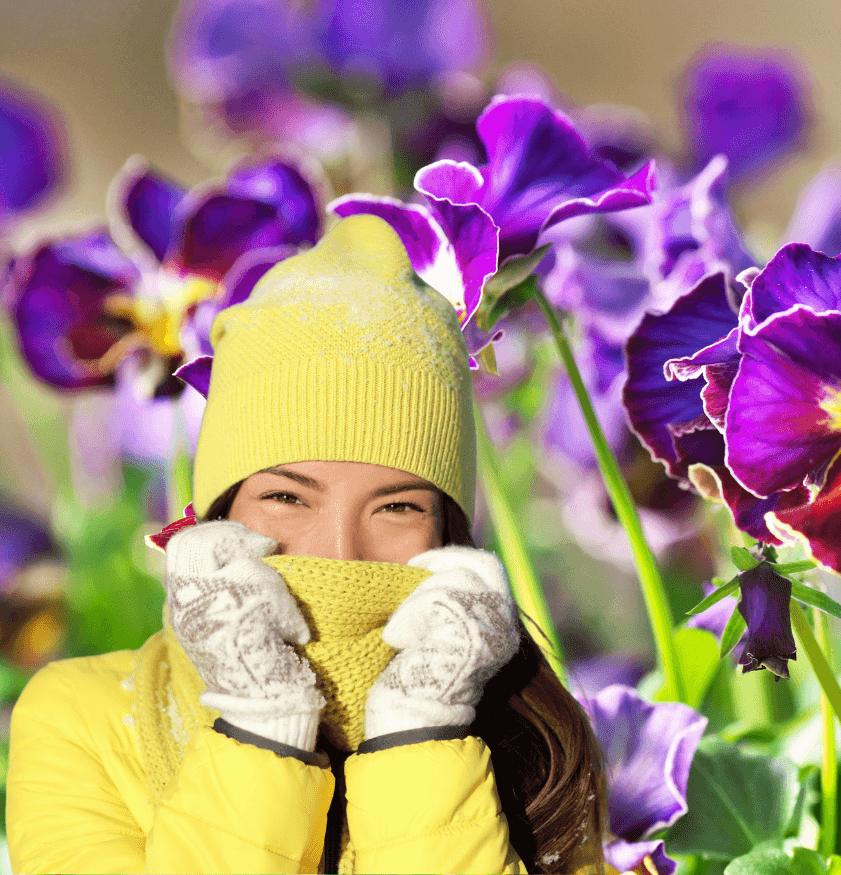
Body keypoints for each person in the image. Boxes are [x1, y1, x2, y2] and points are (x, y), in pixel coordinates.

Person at [6, 213, 615, 874]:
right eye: (288, 497)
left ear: (449, 533)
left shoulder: (537, 745)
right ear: (219, 513)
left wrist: (423, 734)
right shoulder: (85, 717)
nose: (340, 552)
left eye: (398, 507)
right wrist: (259, 726)